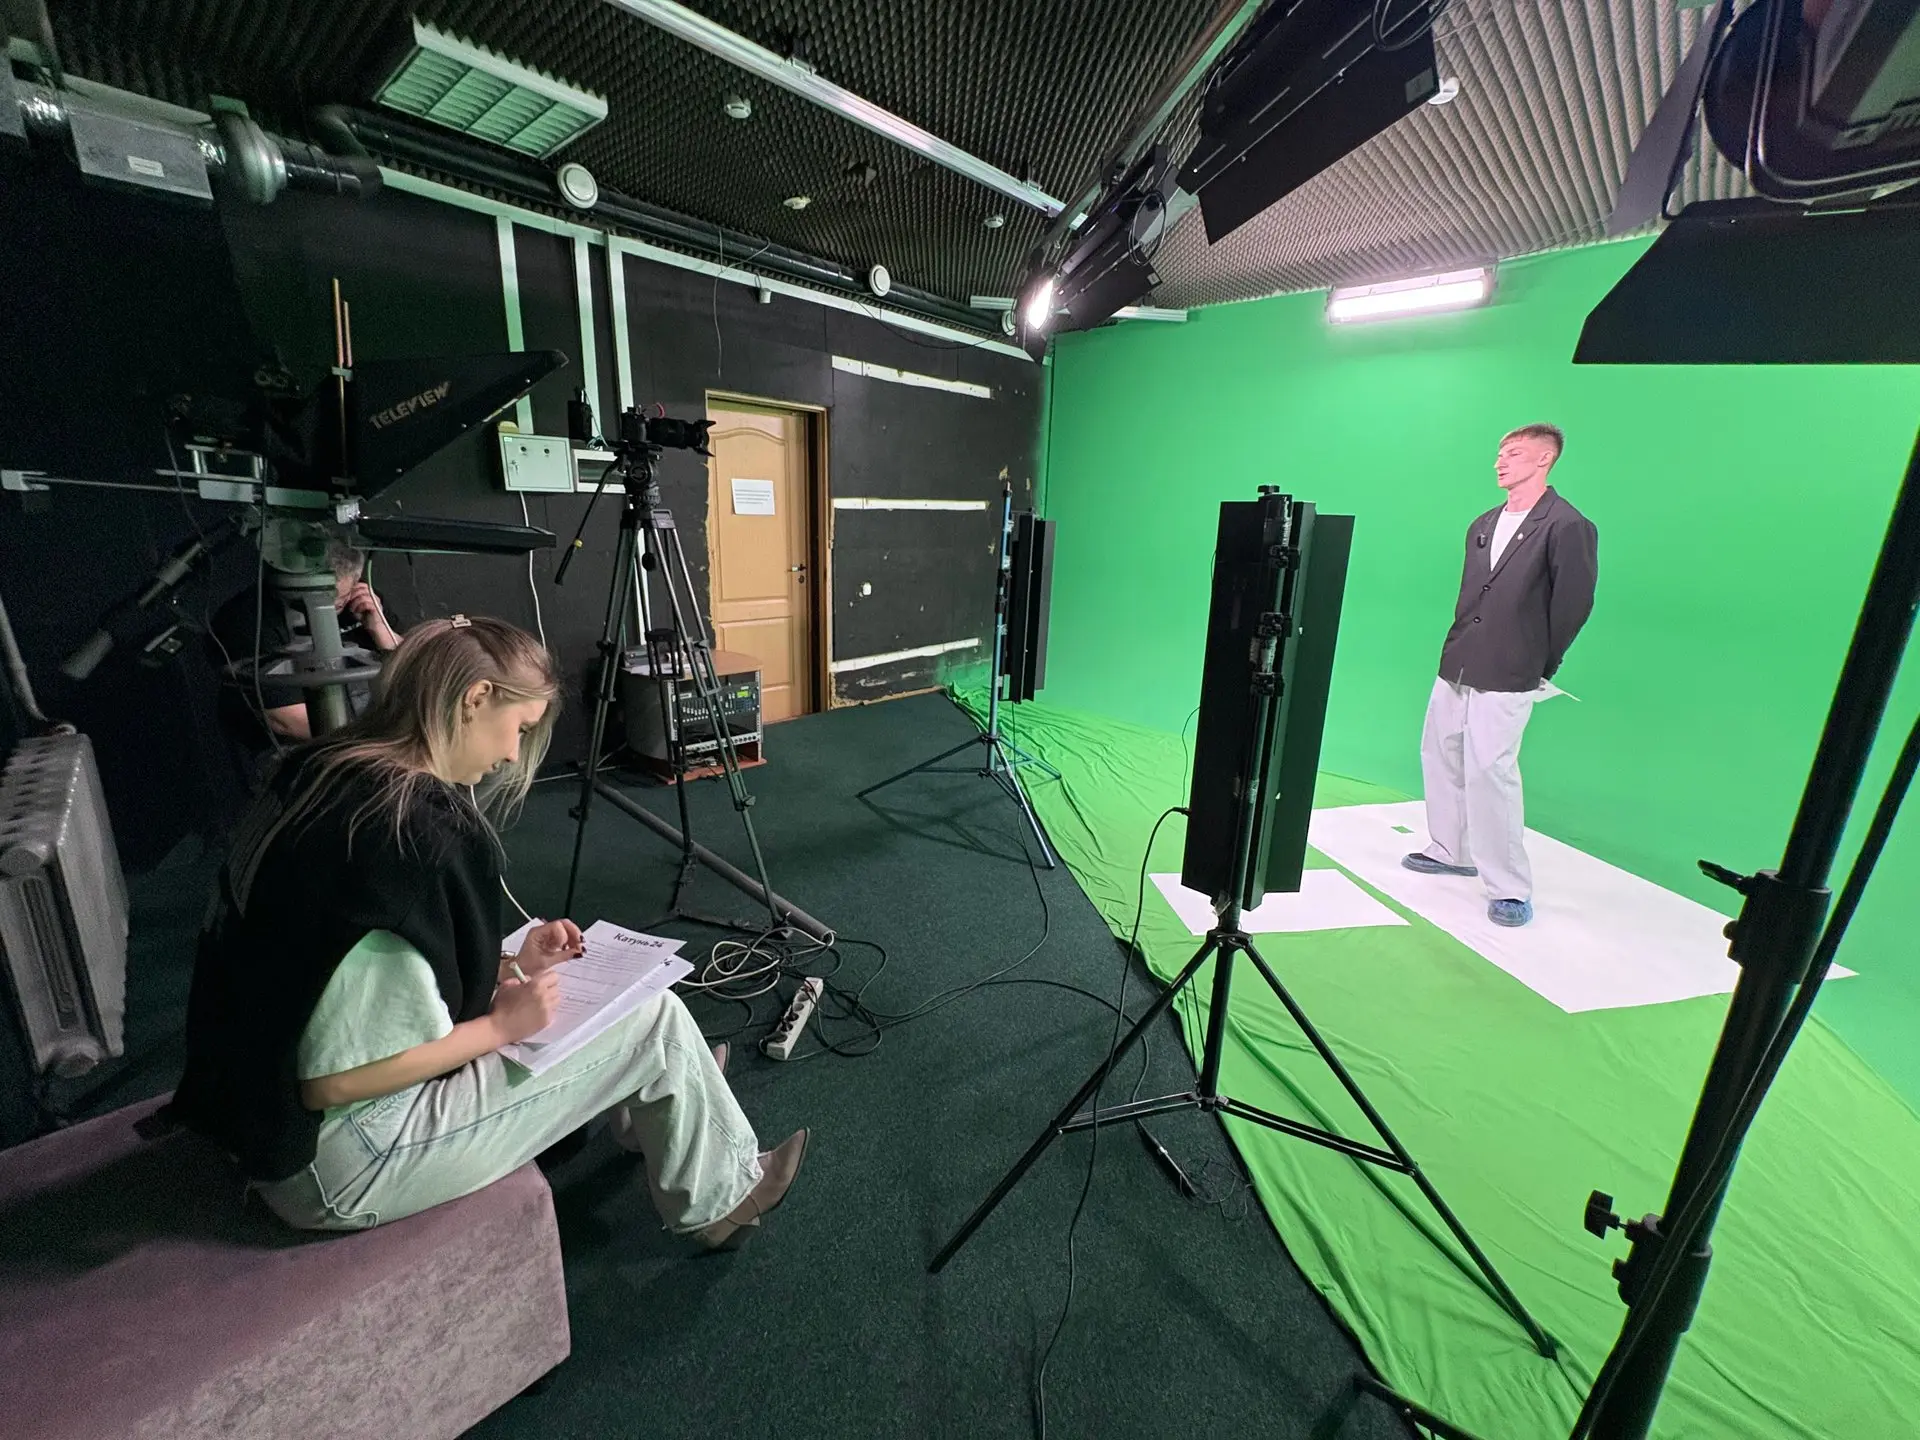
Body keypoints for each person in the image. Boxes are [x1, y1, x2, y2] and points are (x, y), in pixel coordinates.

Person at [169, 614, 807, 1246]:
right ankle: (722, 1203)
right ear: (475, 698)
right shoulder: (405, 841)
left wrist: (509, 966)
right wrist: (499, 1028)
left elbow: (338, 972)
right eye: (520, 729)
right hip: (337, 1162)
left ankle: (656, 1095)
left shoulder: (319, 774)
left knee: (589, 1004)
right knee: (655, 1020)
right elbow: (332, 1083)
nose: (511, 755)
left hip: (255, 1115)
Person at [1402, 424, 1599, 928]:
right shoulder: (1484, 523)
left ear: (1544, 460)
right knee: (1440, 751)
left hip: (1512, 665)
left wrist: (1542, 662)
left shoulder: (1568, 525)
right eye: (1499, 454)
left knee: (1492, 770)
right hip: (1459, 657)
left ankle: (1509, 887)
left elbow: (1573, 604)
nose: (1499, 462)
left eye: (1512, 454)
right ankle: (1450, 849)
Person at [207, 539, 403, 769]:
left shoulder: (363, 601)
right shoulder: (247, 620)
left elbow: (416, 668)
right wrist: (379, 740)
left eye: (340, 599)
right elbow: (286, 719)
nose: (331, 605)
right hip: (296, 748)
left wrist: (381, 629)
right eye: (323, 597)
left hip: (373, 731)